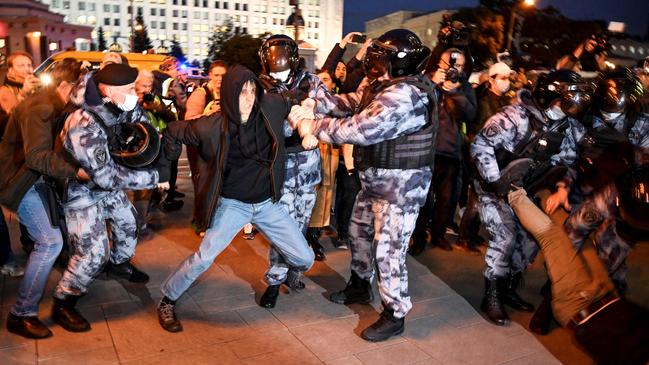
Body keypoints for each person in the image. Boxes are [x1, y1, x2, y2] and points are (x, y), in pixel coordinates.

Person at [290, 29, 436, 342]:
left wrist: (312, 125)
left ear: (399, 62)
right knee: (358, 234)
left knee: (388, 250)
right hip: (374, 181)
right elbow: (352, 102)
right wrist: (316, 96)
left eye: (382, 55)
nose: (374, 60)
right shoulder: (383, 84)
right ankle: (360, 284)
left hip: (400, 189)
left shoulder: (407, 95)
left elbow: (363, 127)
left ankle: (395, 312)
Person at [156, 64, 315, 333]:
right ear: (229, 94)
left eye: (253, 91)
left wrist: (306, 111)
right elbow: (172, 130)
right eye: (242, 93)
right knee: (204, 258)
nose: (249, 99)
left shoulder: (271, 106)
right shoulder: (210, 127)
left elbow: (299, 94)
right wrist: (164, 169)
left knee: (305, 260)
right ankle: (167, 299)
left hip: (267, 205)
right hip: (233, 206)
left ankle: (279, 278)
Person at [470, 69, 592, 326]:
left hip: (524, 190)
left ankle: (508, 287)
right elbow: (481, 145)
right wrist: (495, 180)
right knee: (505, 236)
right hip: (493, 187)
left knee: (529, 241)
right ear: (550, 98)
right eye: (567, 99)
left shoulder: (567, 128)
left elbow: (567, 163)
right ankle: (492, 296)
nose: (572, 105)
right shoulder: (514, 117)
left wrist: (562, 188)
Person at [51, 63, 166, 333]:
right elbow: (104, 177)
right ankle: (65, 300)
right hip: (81, 191)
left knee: (128, 223)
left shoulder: (118, 104)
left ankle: (119, 264)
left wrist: (155, 140)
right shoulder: (82, 122)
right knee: (92, 253)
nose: (134, 94)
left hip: (105, 183)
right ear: (108, 90)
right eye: (129, 89)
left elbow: (141, 123)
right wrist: (152, 179)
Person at [507, 180, 648, 365]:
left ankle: (510, 190)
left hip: (579, 304)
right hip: (607, 292)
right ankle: (543, 189)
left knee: (553, 237)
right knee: (580, 237)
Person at [0, 58, 87, 339]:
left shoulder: (55, 105)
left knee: (57, 237)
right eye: (81, 87)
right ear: (66, 86)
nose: (84, 93)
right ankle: (21, 313)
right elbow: (37, 156)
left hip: (33, 179)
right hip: (20, 183)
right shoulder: (39, 107)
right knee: (50, 242)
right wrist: (76, 171)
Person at [257, 34, 347, 307]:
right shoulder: (260, 87)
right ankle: (274, 280)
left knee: (300, 225)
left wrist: (313, 106)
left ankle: (292, 272)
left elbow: (335, 107)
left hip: (307, 167)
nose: (279, 73)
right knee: (282, 228)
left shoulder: (311, 82)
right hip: (280, 166)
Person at [410, 48, 476, 255]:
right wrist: (433, 85)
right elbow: (412, 106)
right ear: (440, 63)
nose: (454, 69)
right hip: (426, 150)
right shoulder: (426, 80)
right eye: (451, 64)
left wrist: (455, 93)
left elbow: (470, 115)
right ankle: (418, 237)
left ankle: (438, 235)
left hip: (450, 152)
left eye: (459, 65)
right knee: (423, 200)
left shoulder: (463, 86)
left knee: (446, 200)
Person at [456, 62, 514, 253]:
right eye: (502, 78)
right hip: (480, 155)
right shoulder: (482, 100)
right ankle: (464, 237)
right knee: (476, 198)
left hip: (495, 156)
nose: (506, 82)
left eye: (508, 78)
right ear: (491, 79)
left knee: (483, 197)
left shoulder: (503, 100)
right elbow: (476, 128)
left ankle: (471, 234)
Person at [185, 60, 228, 235]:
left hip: (221, 144)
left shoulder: (227, 93)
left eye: (223, 76)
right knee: (203, 184)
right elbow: (189, 119)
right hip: (200, 147)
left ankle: (217, 220)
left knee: (220, 185)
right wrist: (207, 114)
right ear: (210, 75)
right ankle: (200, 222)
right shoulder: (201, 93)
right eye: (216, 75)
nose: (219, 79)